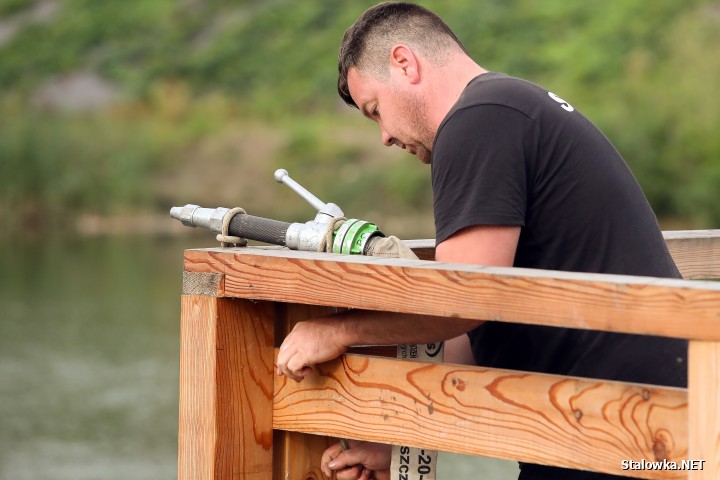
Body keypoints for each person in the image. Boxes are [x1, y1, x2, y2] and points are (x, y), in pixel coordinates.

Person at [275, 3, 687, 479]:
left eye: (375, 111)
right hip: (631, 421)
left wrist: (334, 331)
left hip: (623, 426)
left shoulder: (478, 121)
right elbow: (482, 321)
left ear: (404, 64)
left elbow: (460, 300)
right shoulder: (506, 108)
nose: (385, 136)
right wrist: (398, 439)